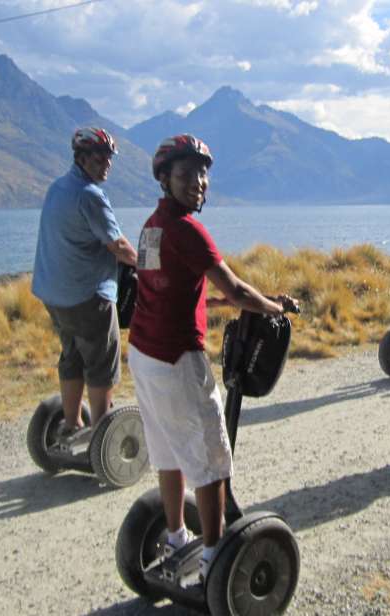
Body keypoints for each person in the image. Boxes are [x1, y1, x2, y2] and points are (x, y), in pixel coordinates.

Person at [126, 134, 298, 582]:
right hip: (176, 358)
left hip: (144, 355)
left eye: (202, 174)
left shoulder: (151, 227)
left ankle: (178, 536)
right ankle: (213, 558)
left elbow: (175, 291)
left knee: (167, 450)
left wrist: (252, 302)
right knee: (211, 458)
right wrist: (275, 307)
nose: (198, 182)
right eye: (186, 174)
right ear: (164, 179)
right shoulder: (186, 228)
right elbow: (235, 288)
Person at [31, 127, 138, 445]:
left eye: (109, 158)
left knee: (73, 354)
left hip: (54, 293)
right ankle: (102, 436)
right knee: (102, 362)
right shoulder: (90, 194)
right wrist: (150, 264)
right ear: (81, 158)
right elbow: (117, 244)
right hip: (88, 293)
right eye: (99, 157)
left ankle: (72, 423)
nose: (106, 163)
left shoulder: (58, 188)